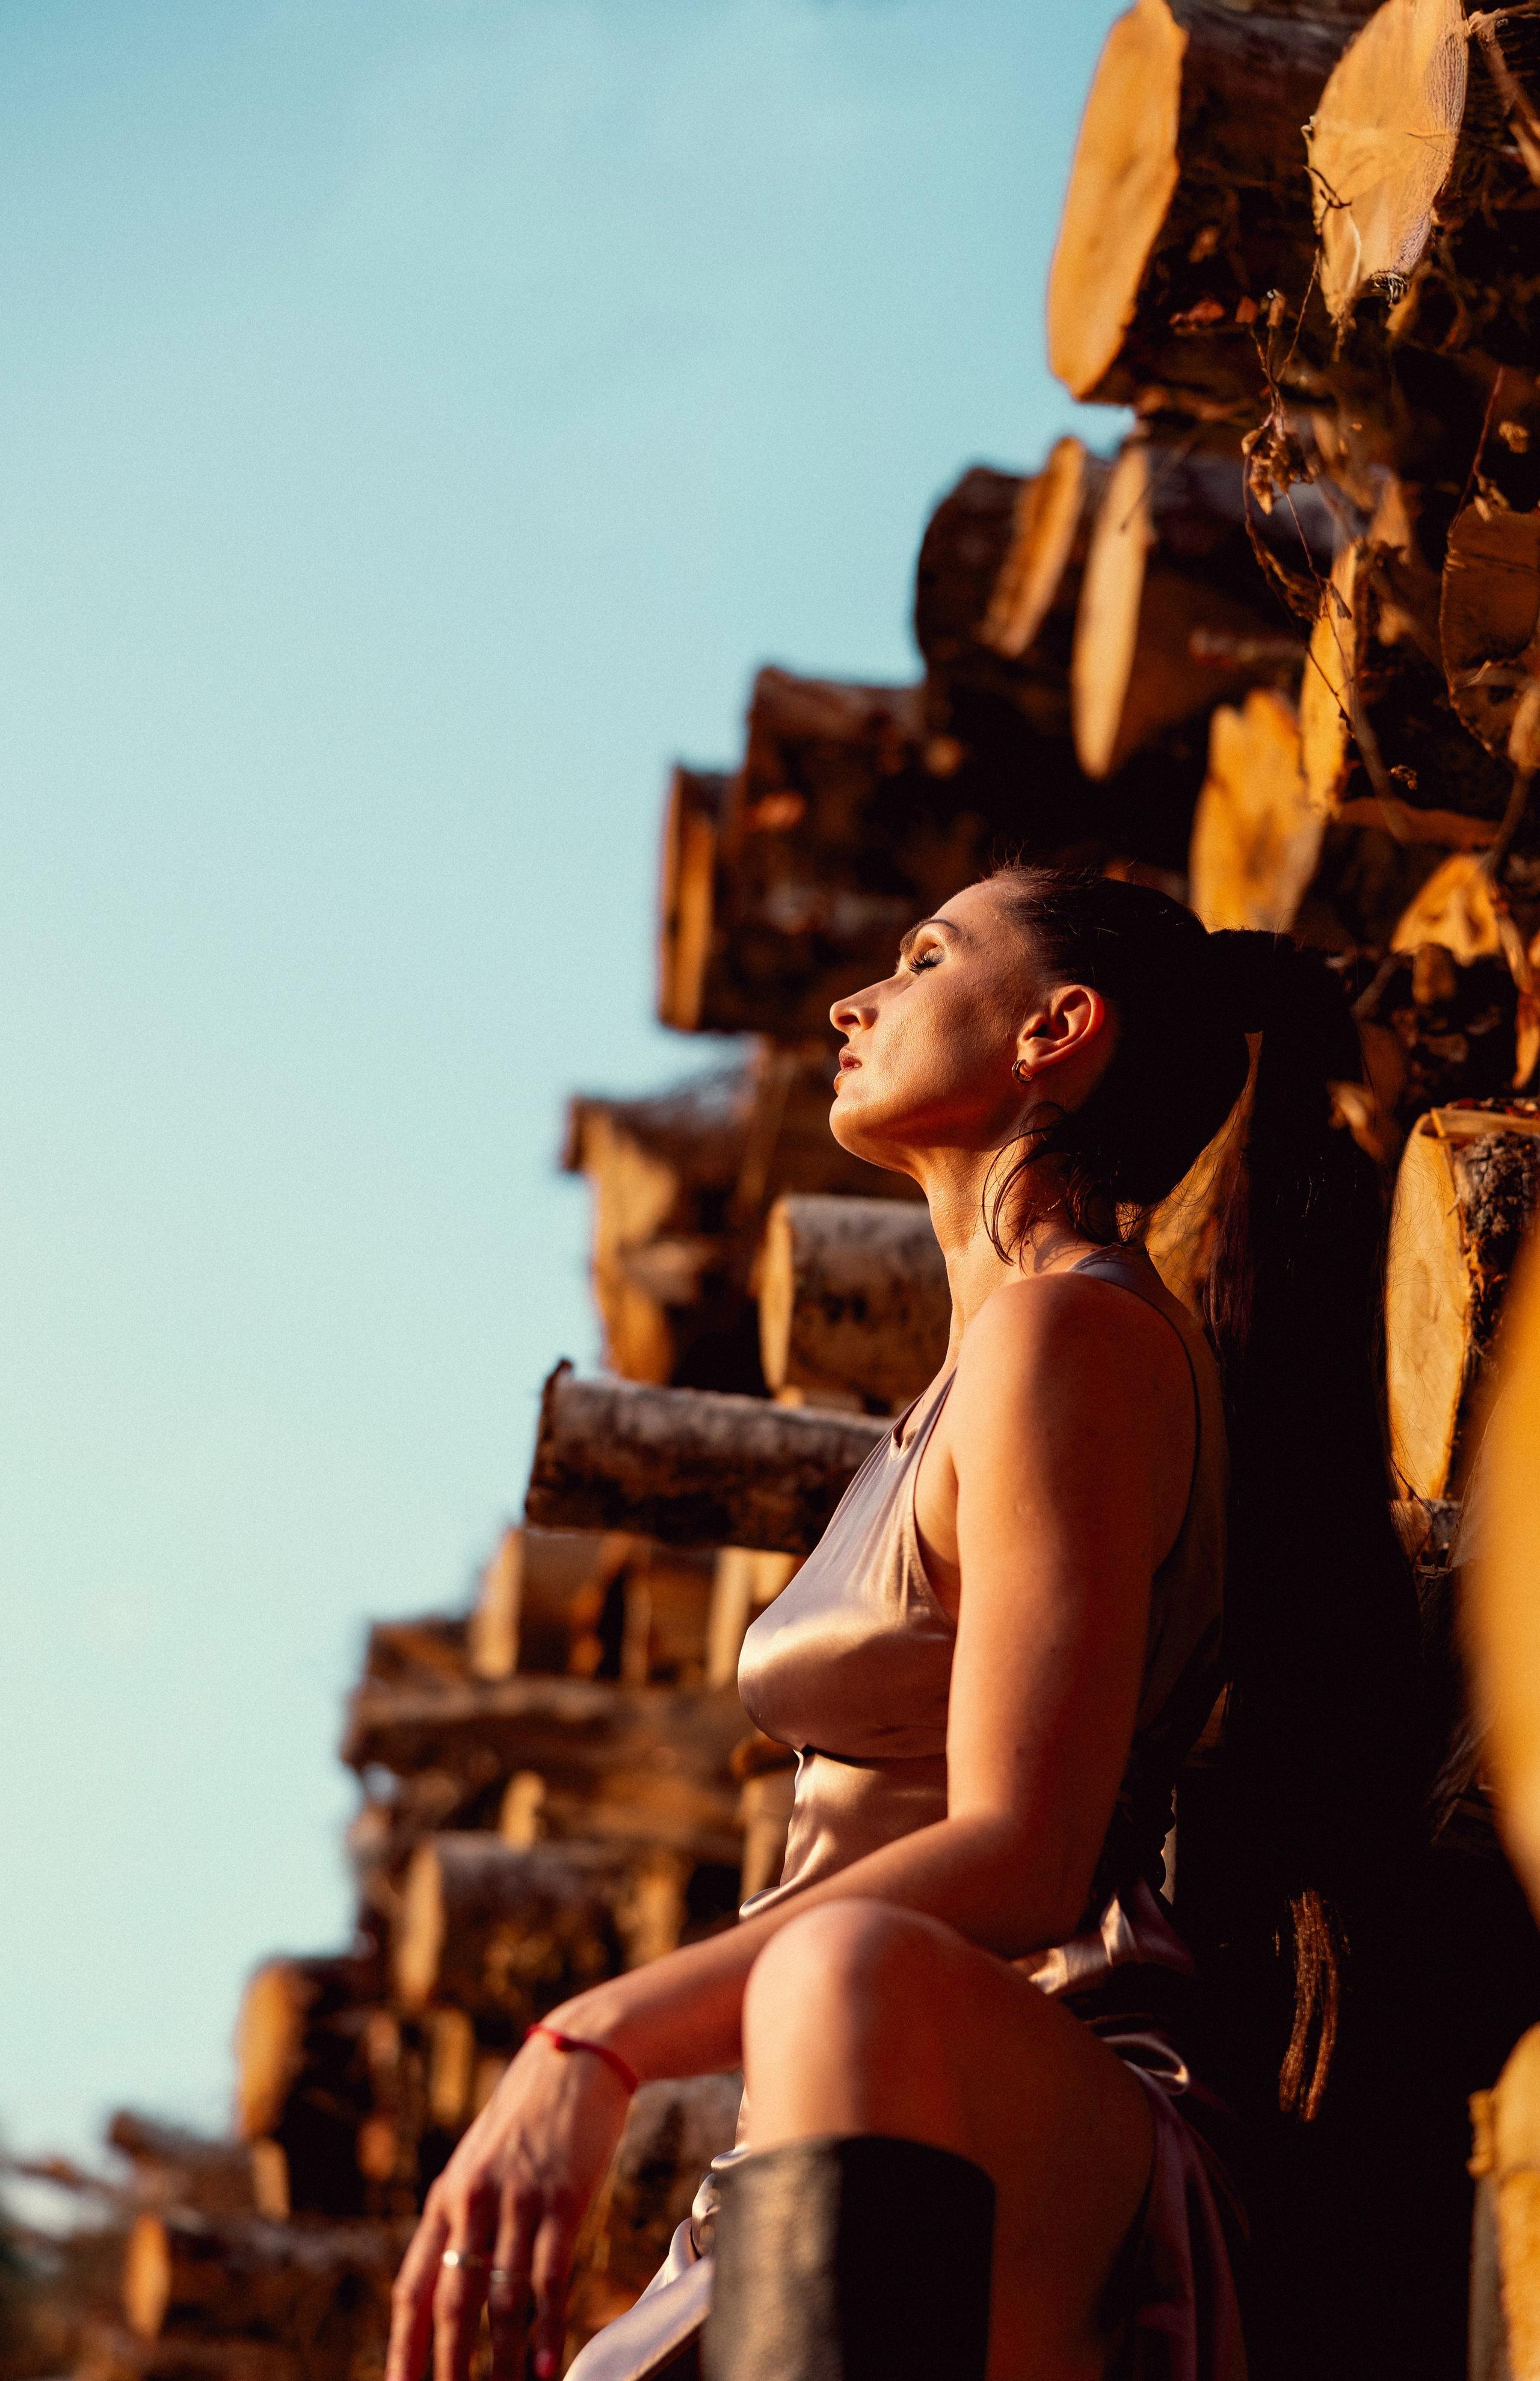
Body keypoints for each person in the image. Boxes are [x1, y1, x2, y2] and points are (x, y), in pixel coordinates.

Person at [383, 866, 1417, 2381]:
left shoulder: (1072, 1330)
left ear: (1055, 1031)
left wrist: (591, 2035)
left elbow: (1024, 1847)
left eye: (923, 959)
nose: (848, 1000)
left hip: (1036, 2107)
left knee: (837, 1970)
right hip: (828, 2137)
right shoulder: (977, 1371)